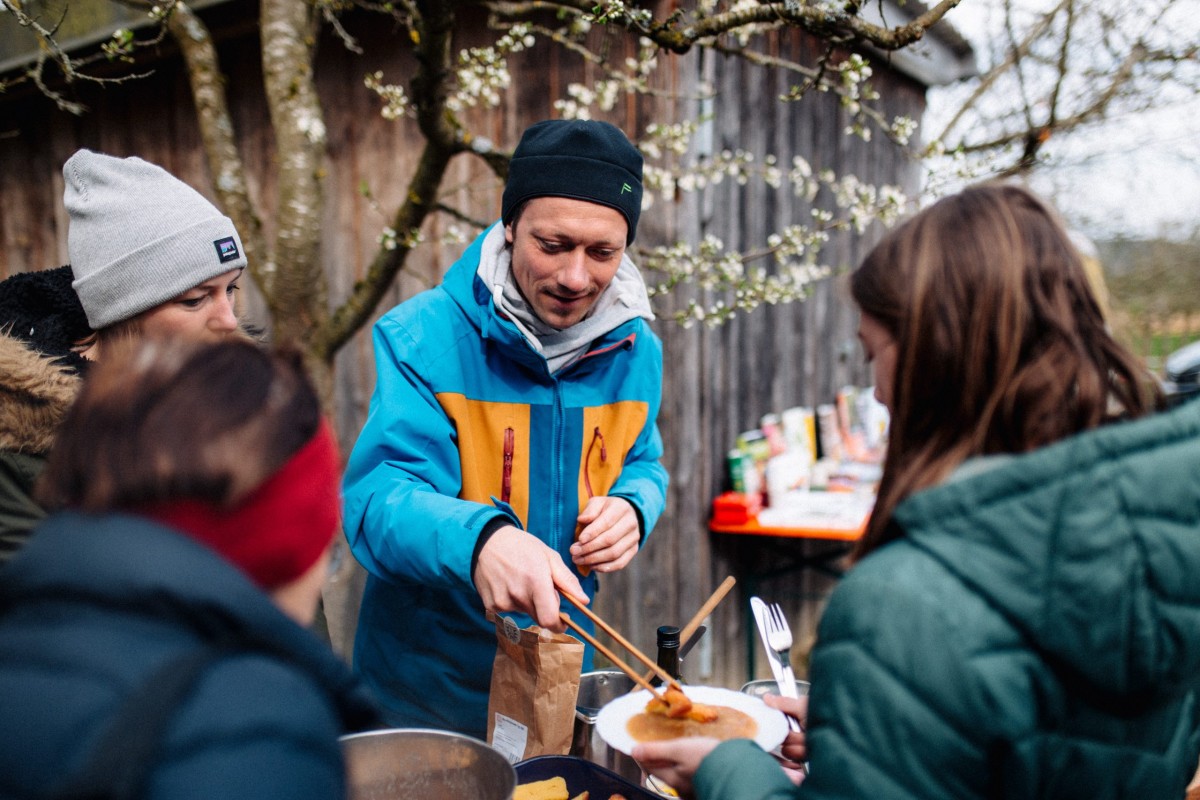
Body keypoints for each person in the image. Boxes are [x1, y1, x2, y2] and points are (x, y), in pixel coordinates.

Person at [633, 183, 1200, 798]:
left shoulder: (904, 605)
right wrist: (871, 735)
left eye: (874, 352)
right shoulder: (1168, 544)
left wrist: (728, 774)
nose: (876, 393)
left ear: (936, 357)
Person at [342, 118, 669, 737]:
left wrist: (634, 506)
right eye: (553, 244)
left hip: (558, 674)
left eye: (603, 253)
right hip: (427, 690)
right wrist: (481, 542)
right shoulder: (424, 338)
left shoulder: (637, 350)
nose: (576, 277)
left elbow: (644, 462)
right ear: (510, 223)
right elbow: (376, 502)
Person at [0, 338, 381, 799]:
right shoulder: (256, 730)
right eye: (327, 545)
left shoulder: (25, 632)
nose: (323, 570)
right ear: (280, 555)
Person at [0, 148, 248, 564]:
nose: (229, 321)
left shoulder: (251, 408)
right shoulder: (20, 456)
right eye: (195, 300)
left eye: (231, 289)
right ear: (120, 310)